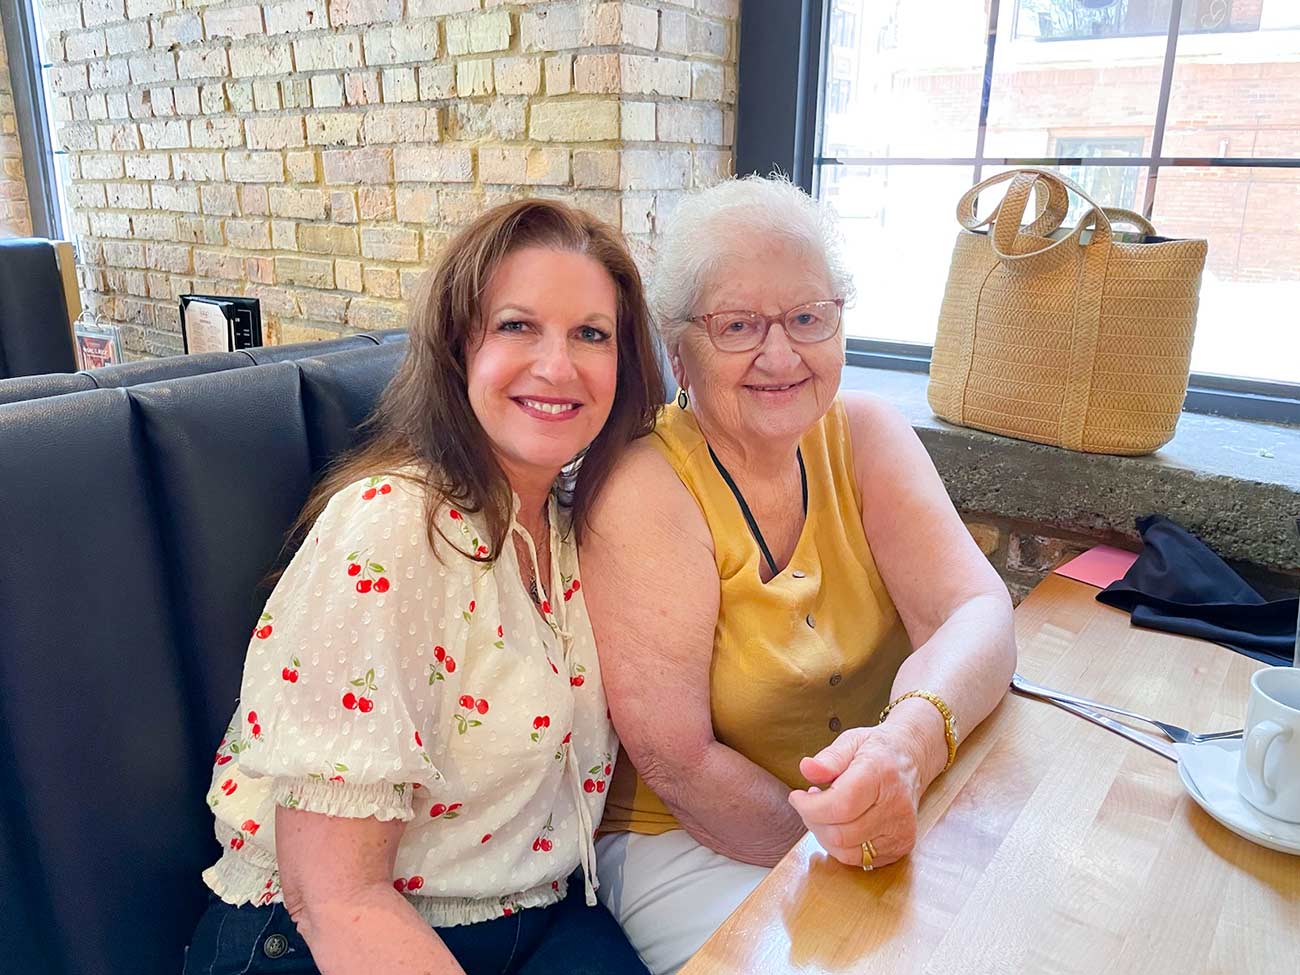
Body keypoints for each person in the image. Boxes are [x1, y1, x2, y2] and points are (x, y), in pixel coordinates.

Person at [183, 199, 664, 975]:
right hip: (320, 937)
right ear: (455, 347)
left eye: (591, 334)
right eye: (517, 325)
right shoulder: (391, 528)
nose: (558, 365)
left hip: (536, 911)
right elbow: (334, 897)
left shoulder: (580, 526)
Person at [582, 176, 1018, 975]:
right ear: (680, 350)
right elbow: (680, 763)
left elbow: (978, 610)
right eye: (738, 325)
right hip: (687, 843)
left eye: (808, 317)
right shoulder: (648, 489)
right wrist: (853, 841)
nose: (779, 355)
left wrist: (909, 747)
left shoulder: (865, 434)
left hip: (883, 813)